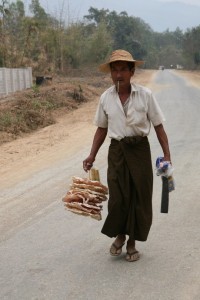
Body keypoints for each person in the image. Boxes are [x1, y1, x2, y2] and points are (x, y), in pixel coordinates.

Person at [83, 49, 171, 262]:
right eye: (115, 70)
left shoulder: (145, 96)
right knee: (117, 197)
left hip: (139, 150)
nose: (119, 74)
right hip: (117, 152)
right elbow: (102, 129)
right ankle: (120, 235)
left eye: (123, 69)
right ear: (110, 73)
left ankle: (132, 241)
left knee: (139, 196)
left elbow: (158, 126)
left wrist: (167, 155)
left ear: (132, 72)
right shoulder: (105, 98)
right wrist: (91, 155)